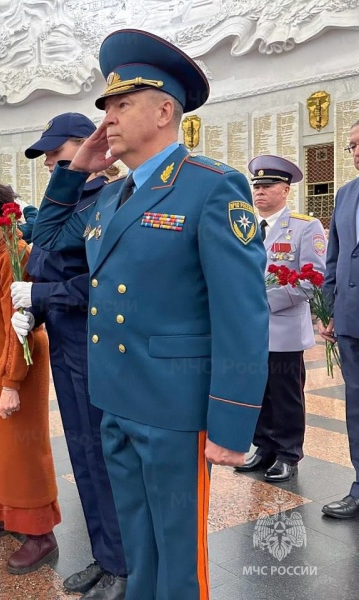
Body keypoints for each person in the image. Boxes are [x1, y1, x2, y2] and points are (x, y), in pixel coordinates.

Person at [29, 29, 269, 599]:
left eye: (122, 104)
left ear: (165, 111)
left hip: (175, 407)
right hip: (114, 397)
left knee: (180, 556)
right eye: (106, 105)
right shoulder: (110, 195)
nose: (107, 118)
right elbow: (46, 242)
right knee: (139, 547)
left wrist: (231, 423)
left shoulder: (211, 187)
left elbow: (241, 312)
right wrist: (72, 173)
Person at [12, 112, 127, 599]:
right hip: (66, 340)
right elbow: (44, 256)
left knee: (105, 458)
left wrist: (41, 299)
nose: (50, 166)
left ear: (86, 145)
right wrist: (35, 310)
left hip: (96, 341)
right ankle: (106, 556)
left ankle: (123, 563)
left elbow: (108, 283)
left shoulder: (109, 200)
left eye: (56, 154)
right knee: (82, 453)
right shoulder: (69, 200)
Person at [0, 182, 59, 575]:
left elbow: (19, 328)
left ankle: (40, 534)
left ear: (8, 217)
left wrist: (10, 382)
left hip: (16, 369)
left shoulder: (18, 258)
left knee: (22, 449)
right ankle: (5, 512)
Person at [234, 155, 326, 482]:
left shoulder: (304, 226)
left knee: (286, 395)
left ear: (285, 190)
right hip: (250, 332)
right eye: (256, 186)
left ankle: (288, 453)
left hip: (283, 329)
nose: (259, 192)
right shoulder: (243, 227)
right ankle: (264, 447)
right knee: (257, 392)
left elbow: (313, 278)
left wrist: (262, 301)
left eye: (268, 185)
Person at [321, 119, 359, 519]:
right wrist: (329, 308)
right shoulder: (346, 195)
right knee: (357, 406)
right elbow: (334, 258)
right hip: (350, 321)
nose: (356, 152)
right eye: (351, 146)